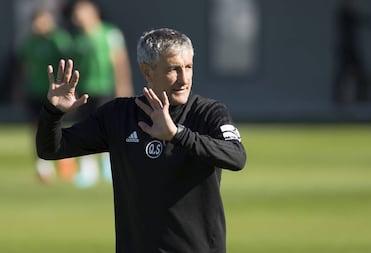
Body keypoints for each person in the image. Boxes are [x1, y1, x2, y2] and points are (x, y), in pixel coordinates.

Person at [36, 28, 246, 252]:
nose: (184, 79)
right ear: (148, 72)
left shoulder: (208, 112)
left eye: (188, 67)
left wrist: (178, 134)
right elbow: (51, 149)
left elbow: (236, 156)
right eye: (174, 69)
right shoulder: (118, 115)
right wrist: (53, 112)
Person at [69, 0, 134, 187]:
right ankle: (88, 169)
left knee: (109, 127)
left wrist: (123, 86)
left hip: (106, 88)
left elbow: (120, 61)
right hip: (85, 91)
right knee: (85, 128)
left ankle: (110, 166)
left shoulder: (110, 33)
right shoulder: (77, 39)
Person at [17, 7, 76, 183]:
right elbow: (24, 67)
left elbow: (70, 61)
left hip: (56, 92)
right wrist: (20, 88)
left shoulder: (59, 39)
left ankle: (66, 161)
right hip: (35, 90)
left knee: (61, 124)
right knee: (36, 126)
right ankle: (42, 164)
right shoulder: (29, 43)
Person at [332, 0, 371, 105]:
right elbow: (356, 19)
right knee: (342, 76)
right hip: (346, 50)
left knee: (360, 75)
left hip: (351, 50)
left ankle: (362, 99)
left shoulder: (348, 15)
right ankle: (338, 100)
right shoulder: (344, 15)